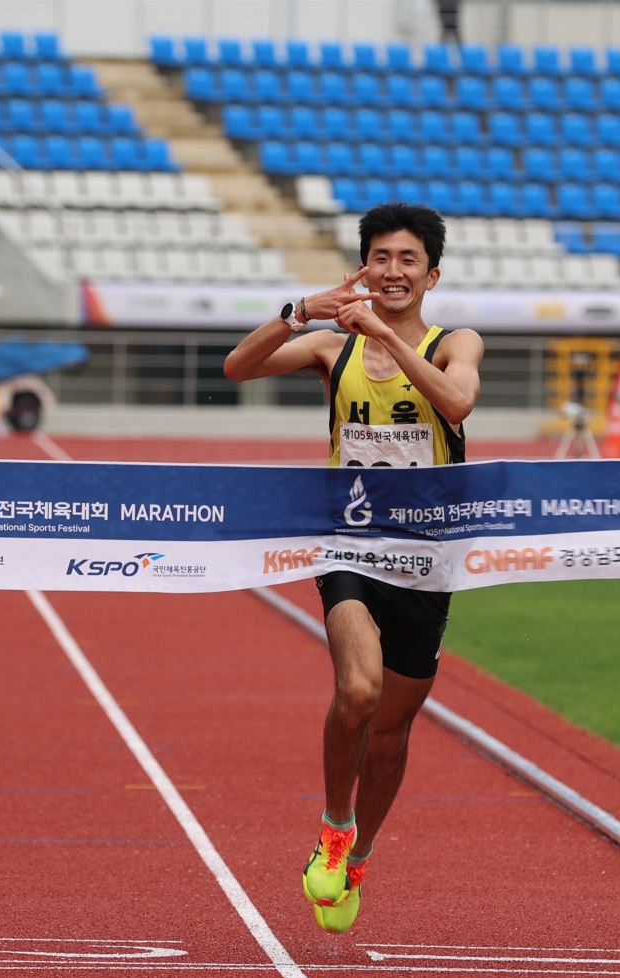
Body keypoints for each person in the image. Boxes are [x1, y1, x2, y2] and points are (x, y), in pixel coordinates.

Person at [223, 203, 484, 933]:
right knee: (359, 689)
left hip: (427, 558)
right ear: (362, 269)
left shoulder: (451, 342)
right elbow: (237, 368)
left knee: (394, 734)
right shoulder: (327, 350)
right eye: (380, 258)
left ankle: (360, 854)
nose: (392, 271)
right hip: (349, 548)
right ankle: (335, 829)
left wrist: (387, 341)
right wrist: (300, 311)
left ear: (431, 274)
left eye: (407, 260)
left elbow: (458, 404)